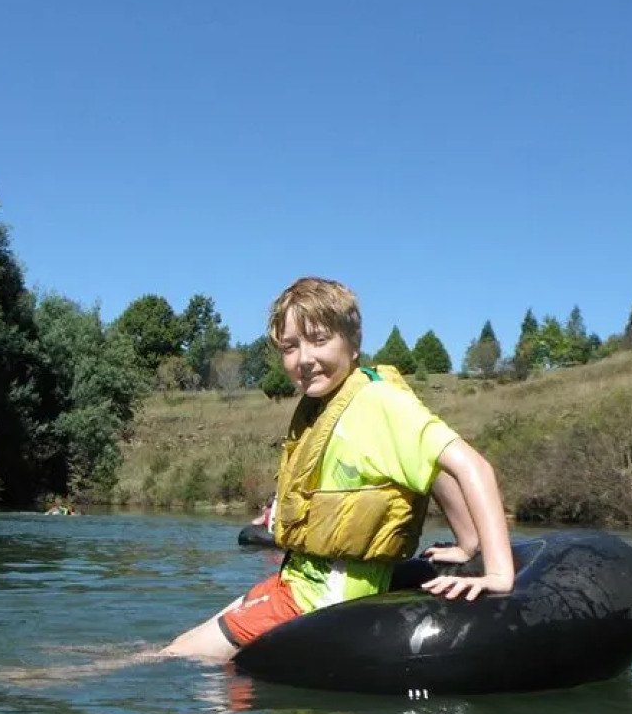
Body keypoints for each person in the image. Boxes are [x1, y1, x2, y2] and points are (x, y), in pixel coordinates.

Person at [161, 276, 515, 661]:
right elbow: (428, 466)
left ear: (354, 339)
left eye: (318, 340)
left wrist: (497, 572)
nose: (305, 359)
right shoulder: (327, 406)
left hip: (322, 600)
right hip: (296, 582)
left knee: (176, 656)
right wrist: (466, 544)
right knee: (177, 644)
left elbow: (474, 468)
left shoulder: (376, 403)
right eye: (290, 347)